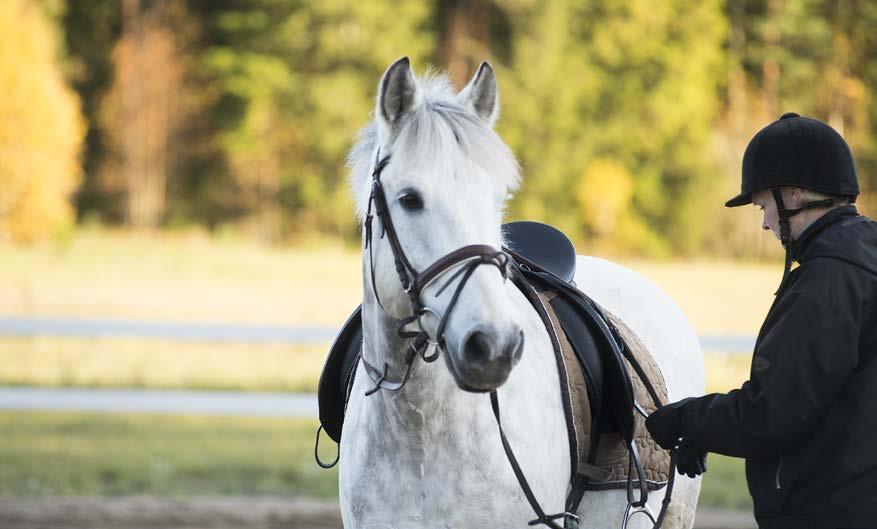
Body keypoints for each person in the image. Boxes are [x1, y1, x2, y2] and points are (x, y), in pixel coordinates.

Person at [645, 112, 877, 528]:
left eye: (764, 205)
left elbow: (770, 415)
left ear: (793, 195)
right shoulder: (863, 261)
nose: (765, 221)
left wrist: (683, 420)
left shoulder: (828, 281)